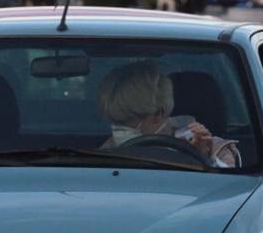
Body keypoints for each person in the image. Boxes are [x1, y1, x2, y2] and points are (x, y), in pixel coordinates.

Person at [98, 60, 241, 168]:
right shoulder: (108, 149)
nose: (118, 129)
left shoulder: (216, 149)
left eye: (127, 119)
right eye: (115, 120)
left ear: (158, 114)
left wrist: (200, 158)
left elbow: (228, 196)